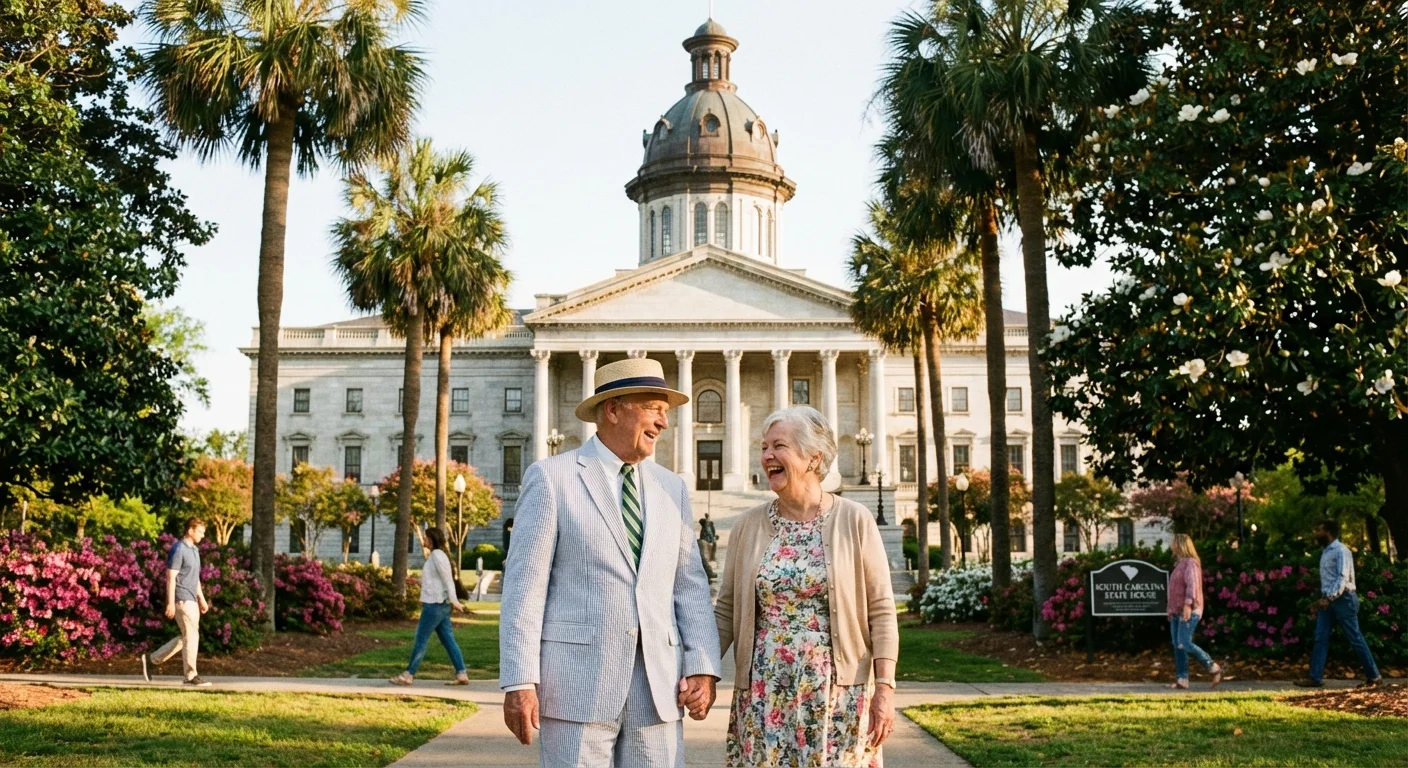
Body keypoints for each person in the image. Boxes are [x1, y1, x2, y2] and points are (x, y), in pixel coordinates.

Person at [499, 358, 721, 766]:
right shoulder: (552, 478)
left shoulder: (672, 488)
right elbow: (524, 589)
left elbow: (689, 586)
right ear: (613, 409)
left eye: (666, 413)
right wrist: (519, 679)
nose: (664, 423)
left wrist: (703, 666)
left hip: (659, 688)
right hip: (577, 686)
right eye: (653, 408)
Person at [715, 406, 898, 767]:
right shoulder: (747, 526)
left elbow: (881, 609)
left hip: (838, 693)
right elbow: (725, 610)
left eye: (778, 446)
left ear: (813, 458)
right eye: (764, 447)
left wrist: (885, 689)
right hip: (764, 693)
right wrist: (702, 672)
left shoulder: (854, 519)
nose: (767, 456)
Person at [1296, 520, 1382, 689]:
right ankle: (1315, 677)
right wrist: (1325, 598)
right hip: (1327, 601)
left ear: (1327, 532)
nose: (1316, 533)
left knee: (1355, 637)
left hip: (1344, 599)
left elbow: (1342, 578)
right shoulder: (1325, 552)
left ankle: (1374, 676)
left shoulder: (1341, 551)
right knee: (1321, 637)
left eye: (1319, 530)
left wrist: (1329, 598)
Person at [390, 526, 470, 686]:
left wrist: (455, 601)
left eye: (426, 538)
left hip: (435, 605)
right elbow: (436, 581)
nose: (424, 540)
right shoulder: (436, 556)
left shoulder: (437, 555)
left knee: (421, 639)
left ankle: (408, 675)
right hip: (440, 604)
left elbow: (448, 580)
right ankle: (461, 673)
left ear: (432, 540)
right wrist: (419, 582)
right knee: (448, 639)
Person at [141, 517, 212, 686]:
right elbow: (171, 577)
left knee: (187, 637)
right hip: (182, 599)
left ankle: (152, 660)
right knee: (192, 635)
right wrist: (171, 603)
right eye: (200, 532)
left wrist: (201, 599)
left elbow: (195, 579)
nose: (203, 536)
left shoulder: (194, 550)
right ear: (190, 530)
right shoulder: (178, 549)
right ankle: (190, 676)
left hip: (192, 599)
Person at [1167, 534, 1222, 689]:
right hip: (1176, 611)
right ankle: (1182, 679)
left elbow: (1193, 585)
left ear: (1180, 545)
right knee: (1178, 645)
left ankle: (1212, 666)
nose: (1172, 547)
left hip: (1188, 610)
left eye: (1174, 544)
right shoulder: (1180, 564)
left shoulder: (1190, 563)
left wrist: (1188, 604)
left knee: (1184, 643)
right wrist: (1171, 611)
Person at [698, 512, 718, 580]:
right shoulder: (706, 527)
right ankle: (708, 571)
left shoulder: (707, 527)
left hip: (705, 541)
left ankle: (708, 571)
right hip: (705, 541)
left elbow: (710, 535)